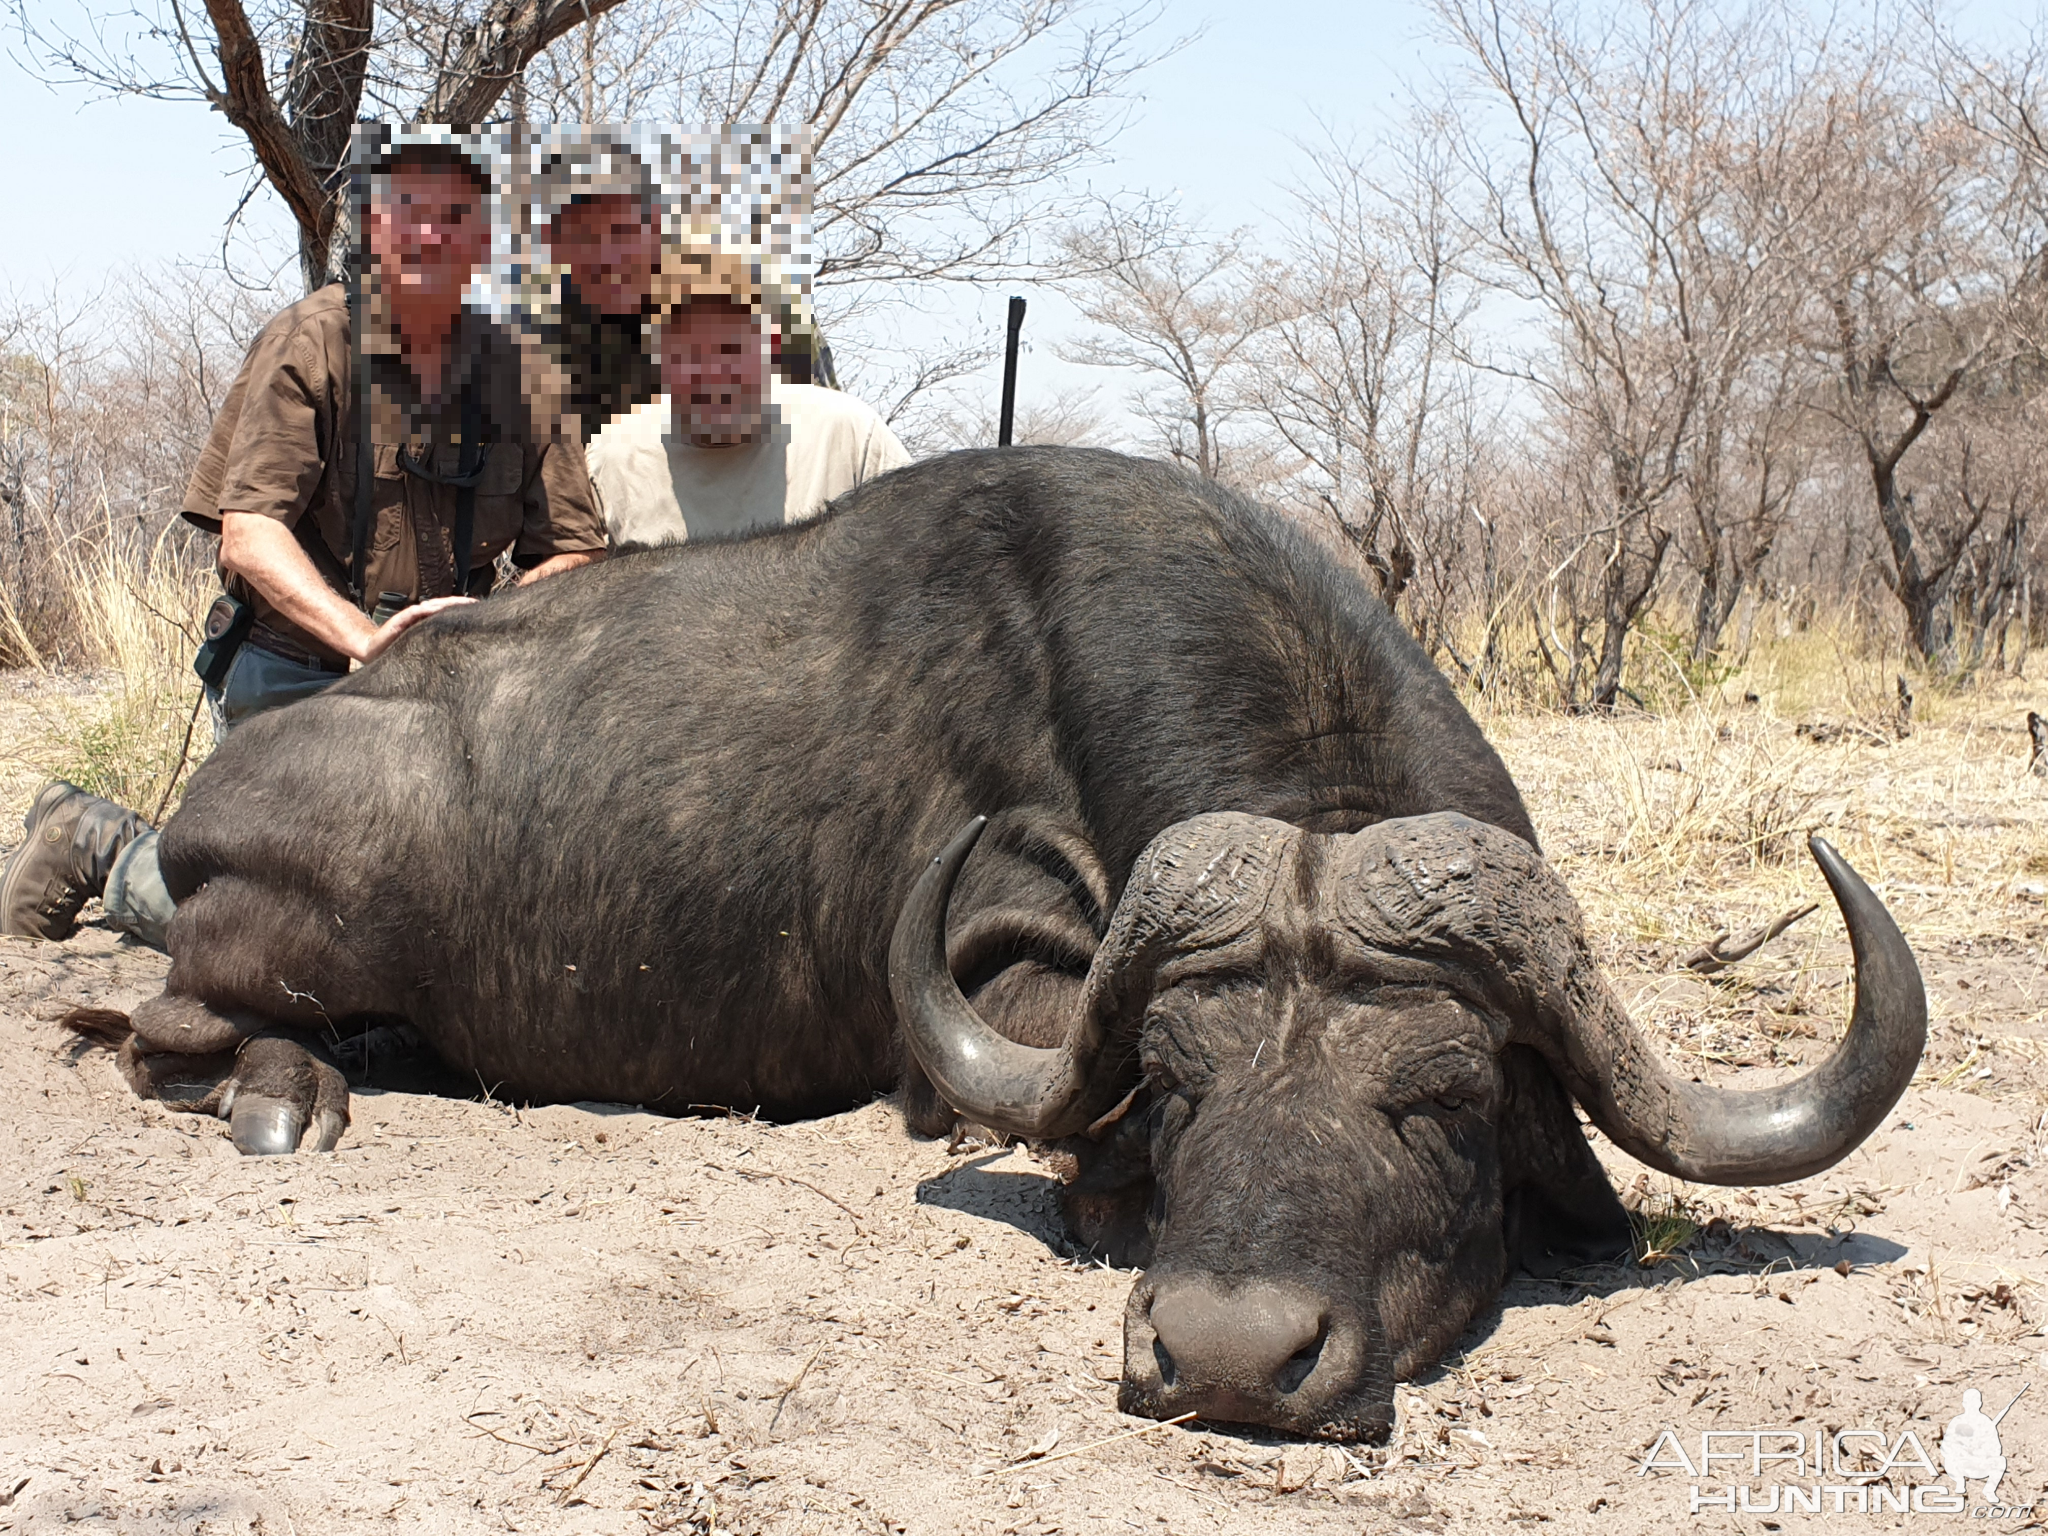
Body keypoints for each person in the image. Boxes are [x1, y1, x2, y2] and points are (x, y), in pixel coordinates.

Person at [0, 132, 608, 951]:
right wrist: (367, 639)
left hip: (450, 678)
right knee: (278, 930)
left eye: (459, 217)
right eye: (414, 215)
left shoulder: (529, 371)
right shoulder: (313, 340)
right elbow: (248, 538)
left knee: (446, 916)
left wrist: (474, 630)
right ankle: (95, 840)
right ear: (377, 229)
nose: (436, 236)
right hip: (297, 667)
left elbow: (575, 554)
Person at [588, 247, 910, 546]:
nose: (714, 374)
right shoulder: (611, 459)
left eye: (732, 349)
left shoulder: (848, 436)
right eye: (690, 354)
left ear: (771, 346)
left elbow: (920, 550)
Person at [528, 132, 665, 443]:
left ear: (655, 229)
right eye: (585, 237)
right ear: (553, 242)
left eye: (621, 231)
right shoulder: (526, 361)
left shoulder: (723, 332)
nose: (607, 256)